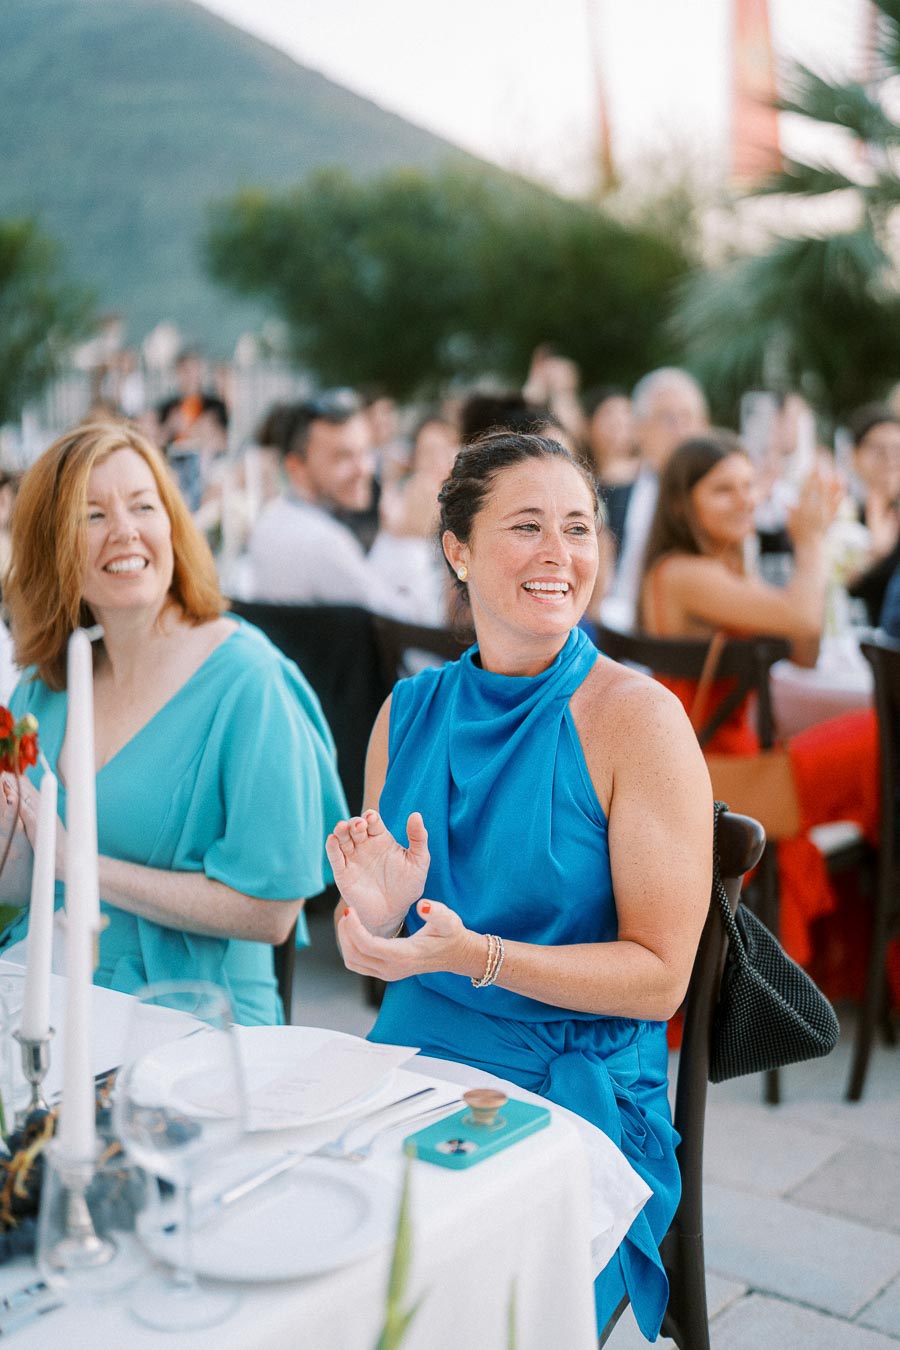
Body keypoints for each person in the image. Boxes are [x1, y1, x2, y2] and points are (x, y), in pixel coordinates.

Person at [325, 432, 713, 1340]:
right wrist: (373, 924)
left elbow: (662, 977)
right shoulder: (407, 711)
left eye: (578, 528)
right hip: (412, 1068)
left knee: (431, 1306)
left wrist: (475, 956)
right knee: (308, 1256)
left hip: (570, 1102)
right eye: (527, 526)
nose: (560, 555)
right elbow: (388, 935)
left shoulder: (637, 719)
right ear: (457, 549)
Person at [0, 420, 346, 1024]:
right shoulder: (46, 685)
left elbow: (271, 913)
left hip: (190, 1009)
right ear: (51, 543)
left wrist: (78, 864)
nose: (126, 531)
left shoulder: (249, 682)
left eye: (143, 505)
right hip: (41, 988)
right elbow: (17, 878)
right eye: (93, 515)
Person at [638, 432, 878, 974]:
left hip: (738, 764)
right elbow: (805, 622)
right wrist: (812, 541)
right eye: (724, 490)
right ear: (682, 504)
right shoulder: (682, 572)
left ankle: (865, 962)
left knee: (879, 744)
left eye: (749, 485)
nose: (746, 499)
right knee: (880, 736)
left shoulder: (720, 568)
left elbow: (807, 650)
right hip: (720, 778)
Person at [246, 392, 446, 624]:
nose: (364, 469)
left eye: (365, 452)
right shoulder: (320, 541)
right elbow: (407, 625)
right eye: (342, 457)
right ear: (296, 468)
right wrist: (408, 537)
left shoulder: (272, 522)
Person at [602, 368, 709, 629]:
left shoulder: (720, 496)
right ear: (638, 429)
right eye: (667, 418)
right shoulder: (612, 490)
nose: (681, 429)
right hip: (615, 629)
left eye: (689, 417)